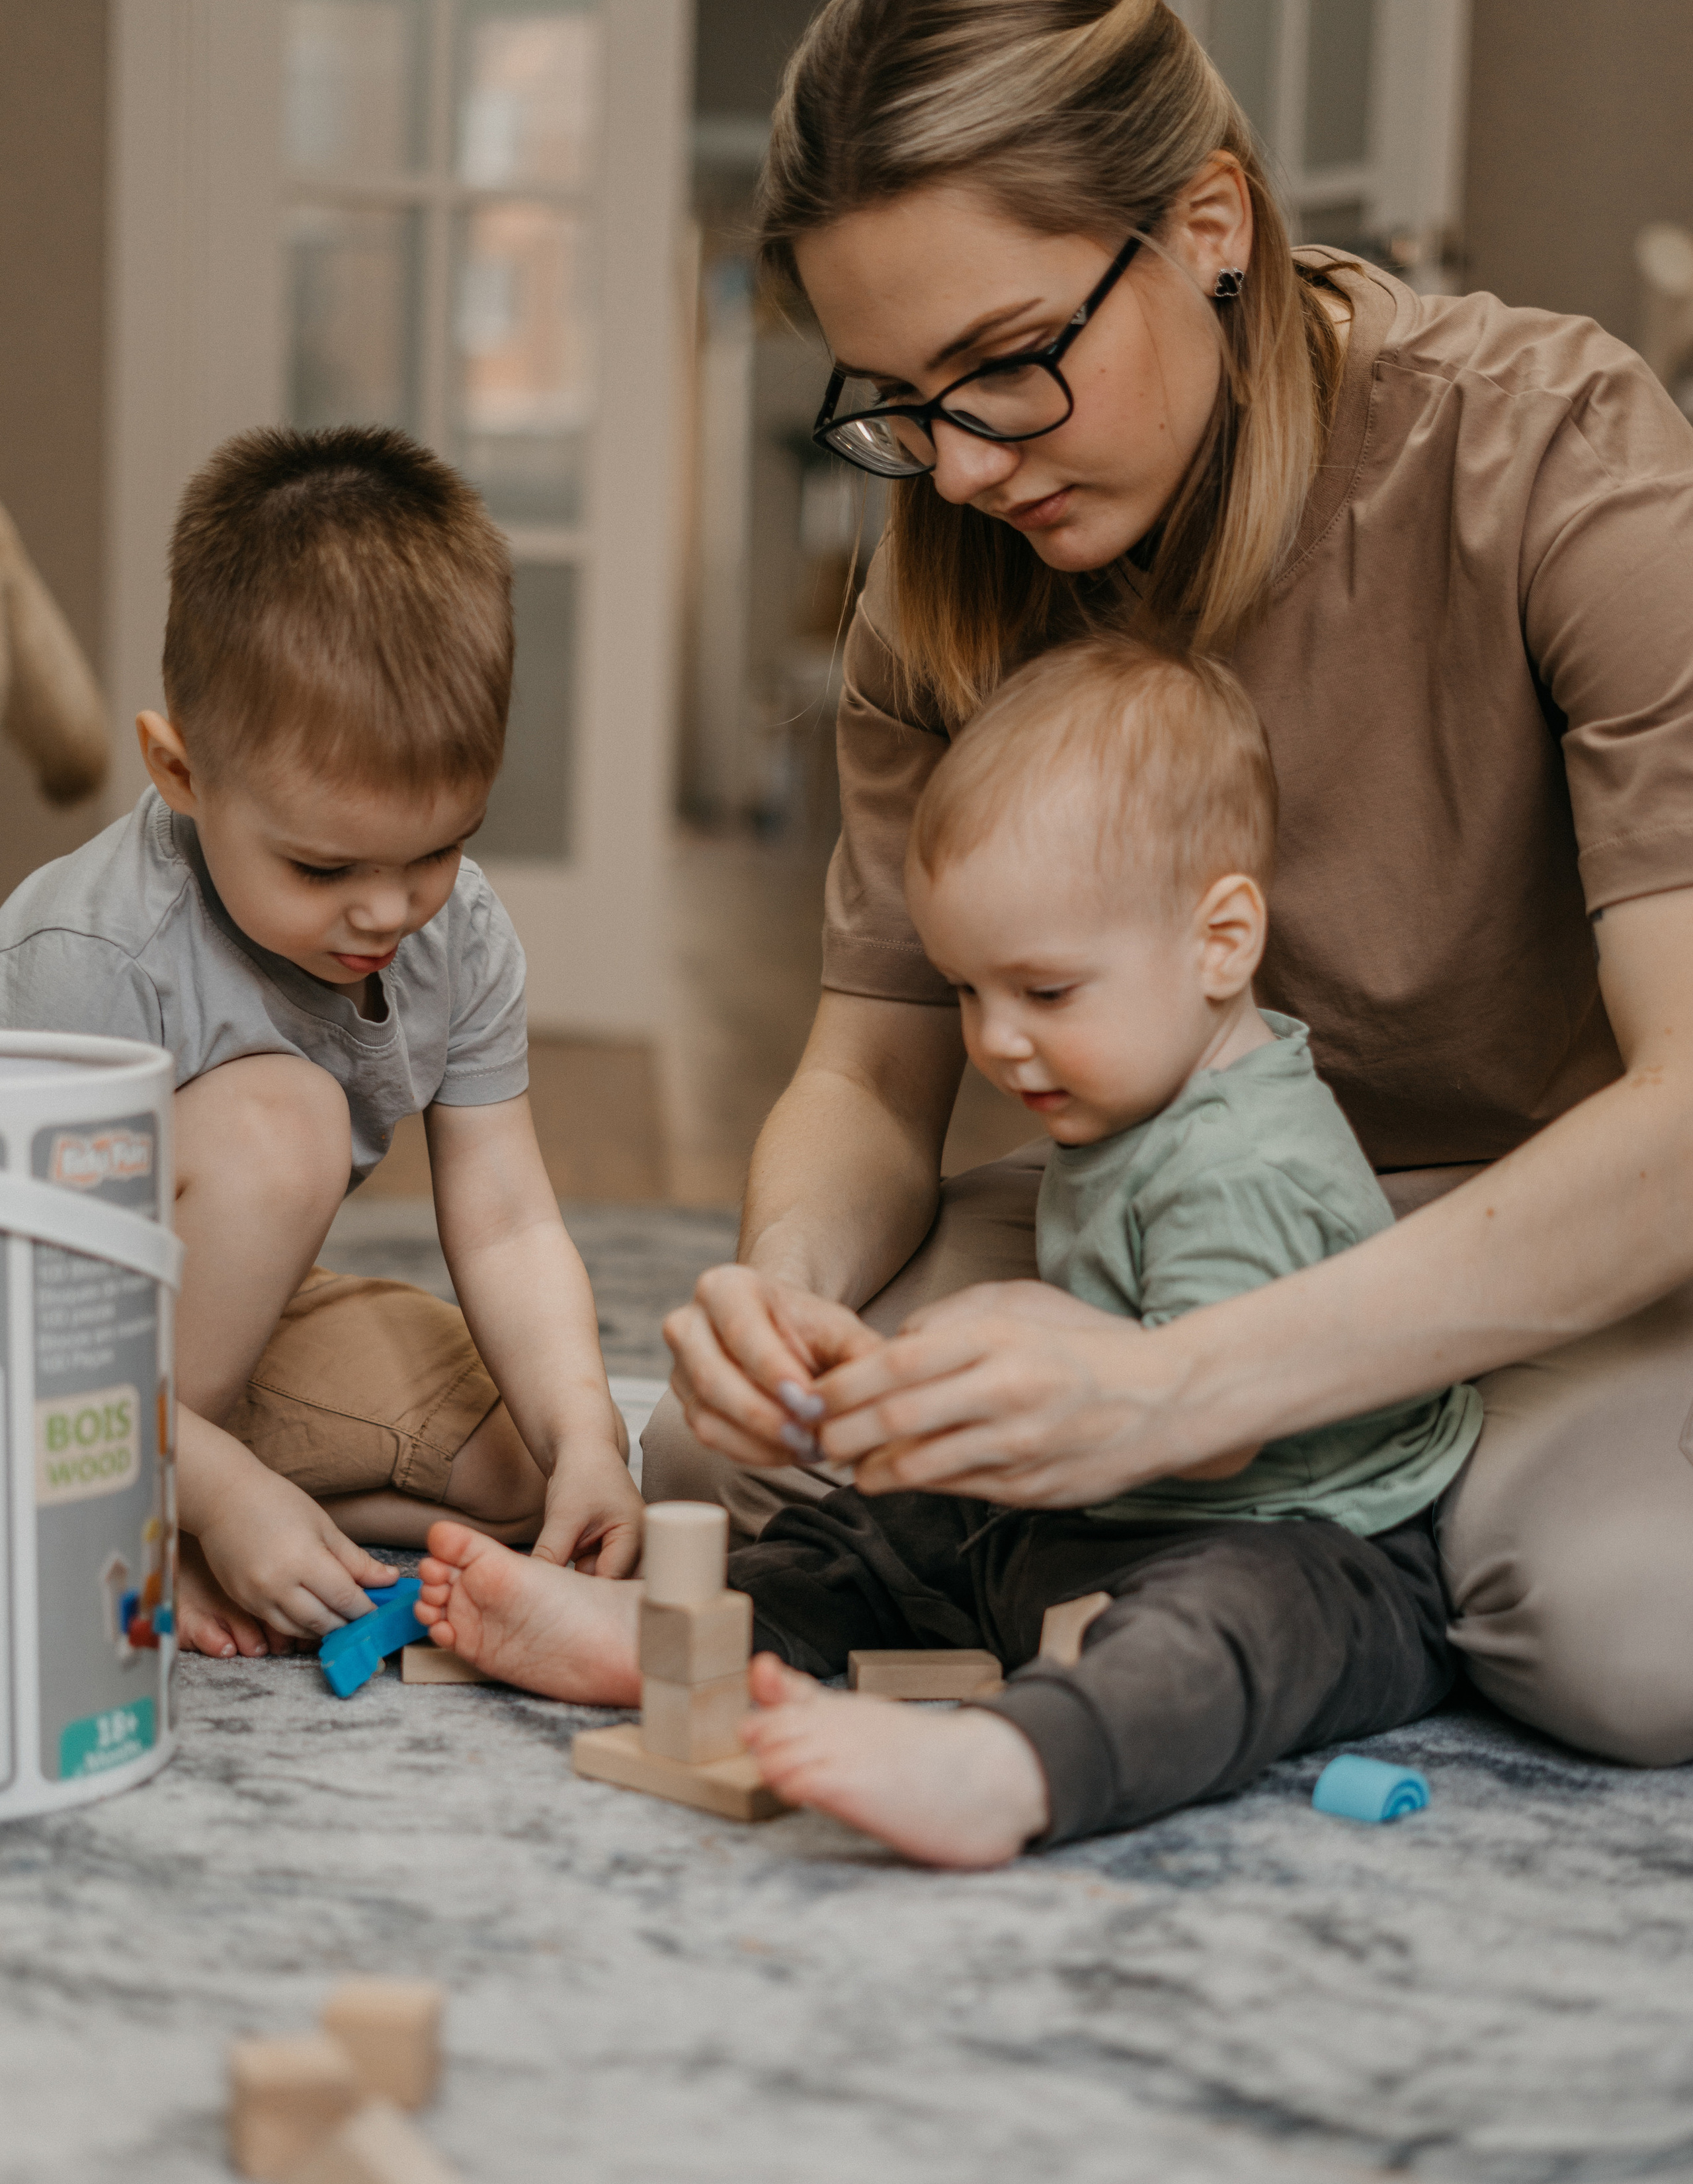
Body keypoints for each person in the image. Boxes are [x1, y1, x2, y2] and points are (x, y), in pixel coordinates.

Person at [651, 0, 1693, 1773]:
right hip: (1145, 1198)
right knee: (721, 1454)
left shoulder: (1553, 452)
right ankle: (1298, 1576)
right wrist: (789, 1294)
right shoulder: (941, 575)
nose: (960, 467)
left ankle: (1281, 1561)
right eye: (899, 404)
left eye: (1004, 360)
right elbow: (868, 1075)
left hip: (1546, 1238)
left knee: (1627, 1636)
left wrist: (1176, 1389)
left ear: (1209, 224)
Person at [411, 640, 1479, 1864]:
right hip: (1108, 1504)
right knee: (883, 1529)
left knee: (1216, 1640)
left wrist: (1034, 1358)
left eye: (1046, 993)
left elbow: (1215, 1427)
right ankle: (680, 1633)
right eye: (970, 993)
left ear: (1223, 940)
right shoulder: (1139, 1080)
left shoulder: (1248, 1164)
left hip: (1309, 1537)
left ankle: (1009, 1768)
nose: (997, 1043)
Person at [0, 426, 641, 1657]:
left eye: (438, 849)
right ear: (180, 771)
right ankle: (135, 1506)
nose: (387, 912)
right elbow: (33, 1303)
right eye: (323, 868)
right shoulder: (91, 958)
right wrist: (210, 1490)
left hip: (199, 1337)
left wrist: (587, 1437)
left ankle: (202, 1479)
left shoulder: (461, 931)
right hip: (42, 1339)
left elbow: (508, 1220)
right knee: (284, 1119)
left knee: (521, 1467)